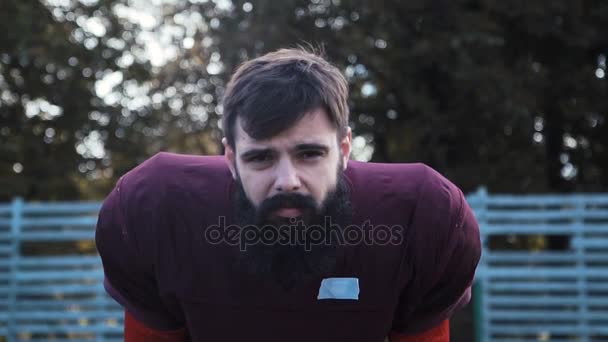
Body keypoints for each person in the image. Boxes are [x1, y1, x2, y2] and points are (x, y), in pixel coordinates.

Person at [95, 47, 481, 342]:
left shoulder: (421, 217)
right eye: (261, 157)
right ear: (231, 158)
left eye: (309, 153)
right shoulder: (157, 211)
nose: (287, 181)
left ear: (344, 150)